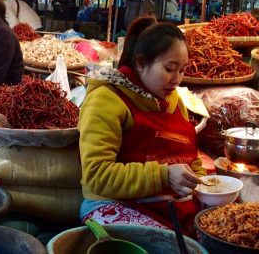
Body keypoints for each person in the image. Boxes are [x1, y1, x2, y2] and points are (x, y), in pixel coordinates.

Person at [78, 16, 207, 236]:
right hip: (114, 204)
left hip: (169, 203)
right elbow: (97, 175)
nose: (177, 79)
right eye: (170, 68)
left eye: (182, 70)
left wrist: (203, 183)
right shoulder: (106, 99)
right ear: (141, 63)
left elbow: (189, 157)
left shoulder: (174, 102)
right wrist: (164, 176)